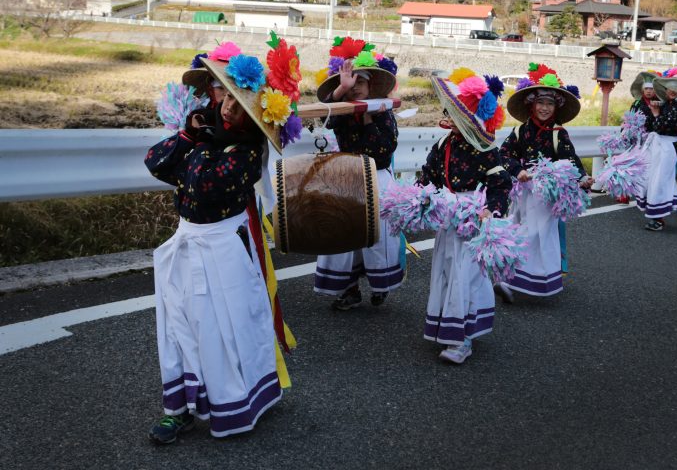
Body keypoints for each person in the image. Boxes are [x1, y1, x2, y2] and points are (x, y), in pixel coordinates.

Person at [144, 48, 301, 444]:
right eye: (225, 95)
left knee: (223, 329)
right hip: (186, 242)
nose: (229, 107)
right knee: (179, 327)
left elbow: (202, 185)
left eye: (239, 101)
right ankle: (177, 410)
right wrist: (188, 134)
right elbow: (156, 162)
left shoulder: (248, 152)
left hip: (224, 249)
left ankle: (235, 402)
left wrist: (198, 143)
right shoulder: (204, 135)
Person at [418, 69, 512, 364]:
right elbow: (429, 176)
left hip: (472, 219)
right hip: (448, 218)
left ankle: (463, 338)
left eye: (455, 112)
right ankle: (448, 327)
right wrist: (418, 197)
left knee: (467, 275)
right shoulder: (443, 145)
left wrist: (489, 210)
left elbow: (500, 185)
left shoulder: (485, 148)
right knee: (447, 270)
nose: (448, 116)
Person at [313, 37, 402, 310]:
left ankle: (380, 285)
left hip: (377, 178)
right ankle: (349, 289)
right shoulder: (341, 107)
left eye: (360, 83)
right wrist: (342, 89)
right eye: (353, 84)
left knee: (379, 236)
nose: (356, 89)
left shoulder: (383, 110)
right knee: (343, 235)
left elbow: (384, 147)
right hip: (348, 177)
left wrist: (366, 116)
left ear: (371, 85)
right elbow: (323, 118)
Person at [499, 63, 591, 302]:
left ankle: (513, 280)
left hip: (546, 193)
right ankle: (510, 276)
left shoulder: (558, 133)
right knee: (517, 229)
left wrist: (582, 178)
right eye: (540, 103)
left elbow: (571, 160)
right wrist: (517, 170)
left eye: (550, 104)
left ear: (556, 108)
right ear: (531, 104)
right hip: (522, 191)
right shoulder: (520, 131)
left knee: (536, 234)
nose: (544, 108)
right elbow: (505, 154)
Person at [636, 68, 677, 231]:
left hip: (667, 148)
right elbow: (650, 126)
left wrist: (656, 114)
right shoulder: (667, 105)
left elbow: (662, 127)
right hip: (657, 145)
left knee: (660, 181)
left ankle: (658, 218)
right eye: (670, 87)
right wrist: (653, 112)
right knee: (651, 178)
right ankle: (656, 216)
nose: (672, 90)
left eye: (676, 87)